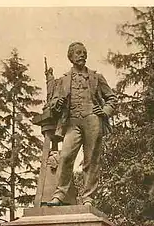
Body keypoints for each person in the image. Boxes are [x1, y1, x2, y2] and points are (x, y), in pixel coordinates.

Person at [48, 42, 117, 206]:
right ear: (70, 57)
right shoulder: (63, 80)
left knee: (91, 160)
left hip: (92, 119)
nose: (82, 55)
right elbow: (54, 103)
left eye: (84, 52)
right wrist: (58, 104)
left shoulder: (95, 77)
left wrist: (105, 111)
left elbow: (112, 98)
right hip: (72, 122)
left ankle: (88, 197)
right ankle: (59, 194)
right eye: (78, 53)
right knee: (65, 156)